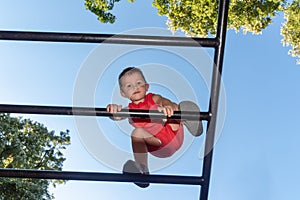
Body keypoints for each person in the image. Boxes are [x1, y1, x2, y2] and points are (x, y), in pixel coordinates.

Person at [106, 67, 203, 188]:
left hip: (171, 133)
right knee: (137, 132)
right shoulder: (129, 110)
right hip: (157, 144)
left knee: (170, 107)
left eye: (139, 83)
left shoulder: (152, 98)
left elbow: (162, 100)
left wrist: (167, 106)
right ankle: (142, 170)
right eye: (129, 86)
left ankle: (186, 118)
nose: (135, 87)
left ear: (146, 87)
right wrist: (113, 110)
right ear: (123, 93)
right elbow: (118, 116)